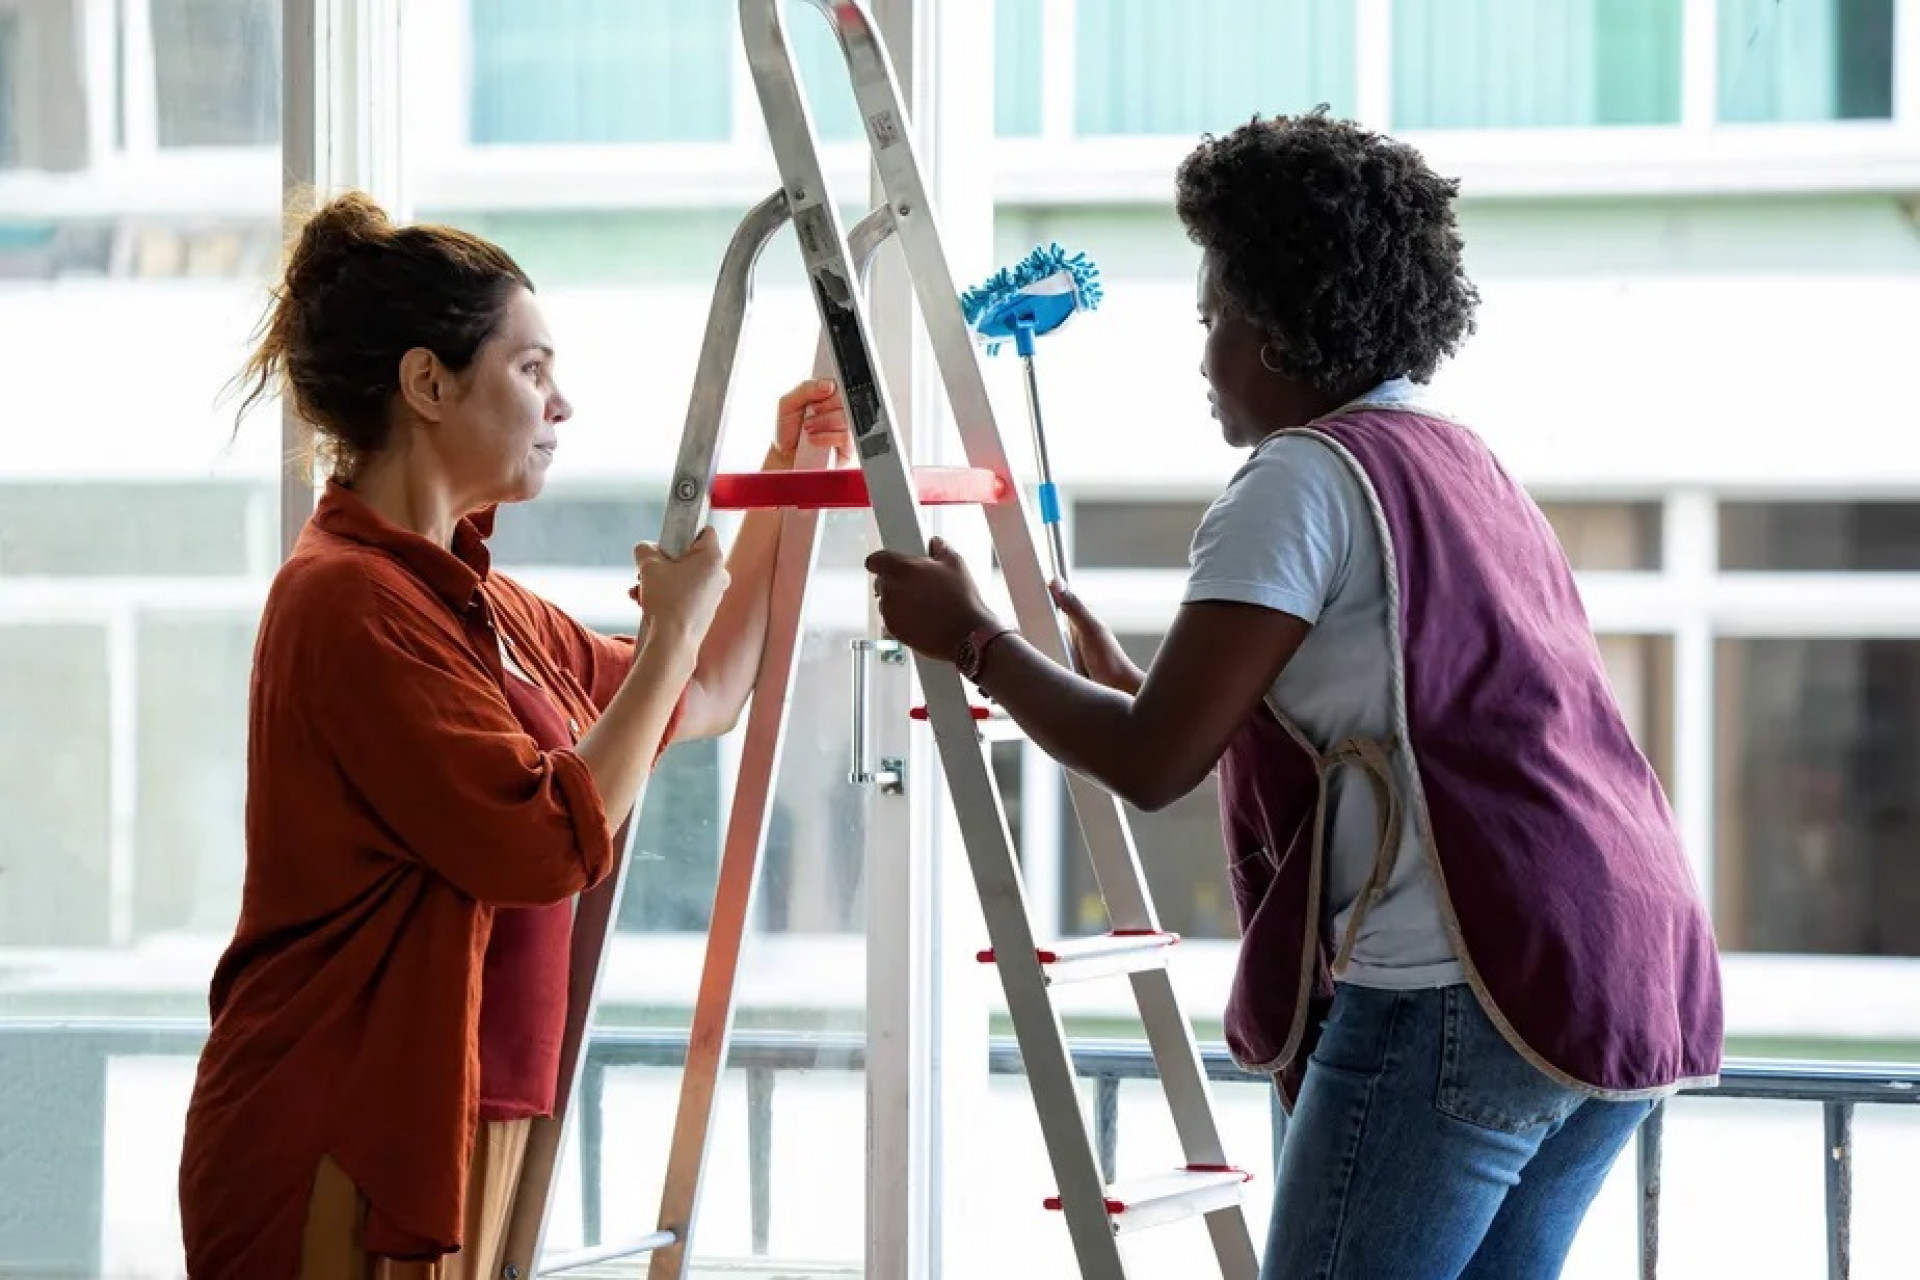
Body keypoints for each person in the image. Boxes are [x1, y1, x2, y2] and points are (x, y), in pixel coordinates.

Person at [865, 109, 1722, 1279]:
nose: (1205, 351)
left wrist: (970, 638)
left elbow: (1152, 764)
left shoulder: (1297, 476)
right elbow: (1405, 717)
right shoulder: (1457, 459)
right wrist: (1142, 685)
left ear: (1274, 332)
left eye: (1213, 318)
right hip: (1616, 971)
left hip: (1462, 987)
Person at [177, 191, 849, 1279]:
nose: (562, 403)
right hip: (339, 1126)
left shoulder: (472, 603)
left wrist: (782, 479)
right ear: (428, 382)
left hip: (460, 1117)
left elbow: (710, 685)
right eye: (532, 369)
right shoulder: (347, 600)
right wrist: (671, 627)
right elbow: (542, 845)